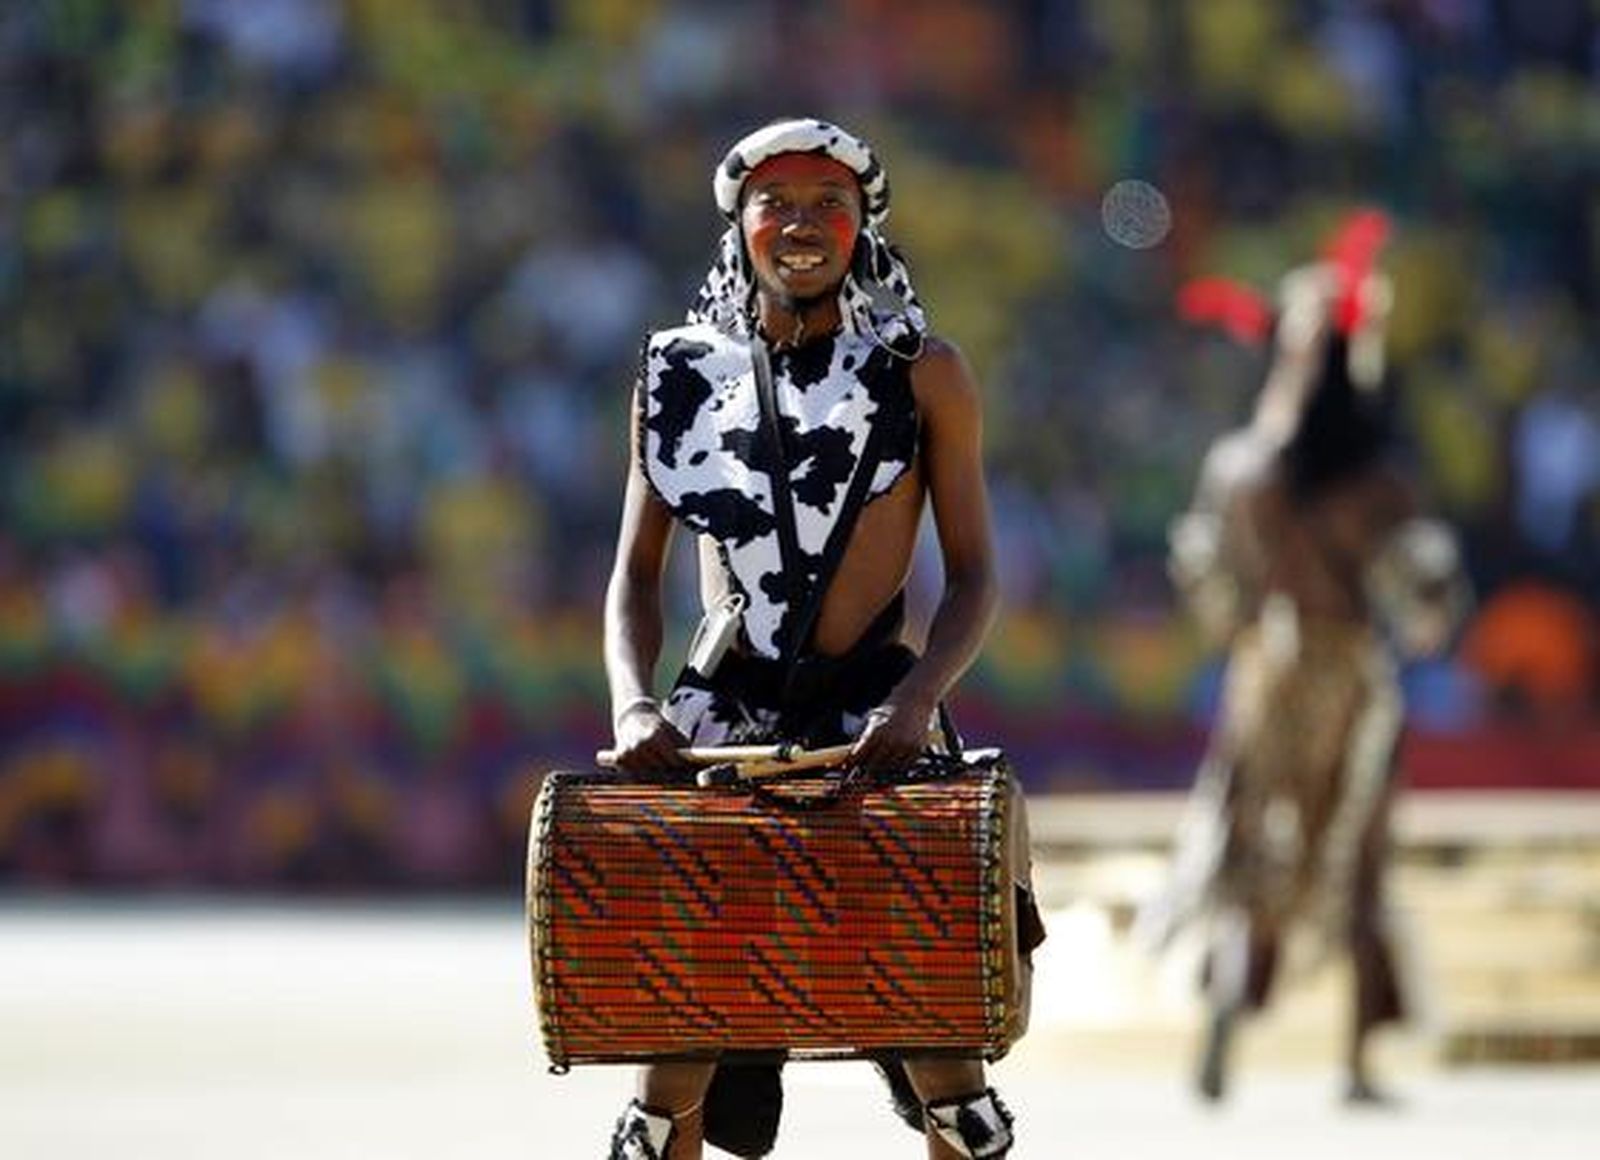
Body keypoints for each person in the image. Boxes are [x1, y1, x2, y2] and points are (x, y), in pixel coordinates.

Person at [601, 118, 1040, 1159]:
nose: (801, 224)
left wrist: (919, 696)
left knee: (951, 1070)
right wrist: (632, 700)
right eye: (777, 204)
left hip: (876, 715)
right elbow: (631, 574)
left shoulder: (926, 372)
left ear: (862, 228)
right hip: (720, 720)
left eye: (827, 205)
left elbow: (976, 574)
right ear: (739, 225)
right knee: (668, 1068)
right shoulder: (675, 374)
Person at [1141, 233, 1469, 1107]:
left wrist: (1244, 624)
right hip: (1353, 675)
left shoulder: (1241, 468)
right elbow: (1428, 598)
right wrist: (1422, 620)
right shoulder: (1379, 480)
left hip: (1267, 671)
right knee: (1356, 859)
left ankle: (1221, 1016)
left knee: (1244, 845)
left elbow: (1208, 578)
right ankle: (1355, 1065)